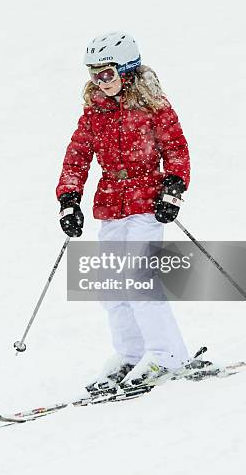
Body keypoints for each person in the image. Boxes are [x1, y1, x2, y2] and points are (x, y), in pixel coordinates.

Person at [56, 32, 191, 391]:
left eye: (107, 74)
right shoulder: (95, 112)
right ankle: (131, 354)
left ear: (128, 71)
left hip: (147, 200)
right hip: (112, 204)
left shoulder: (154, 107)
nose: (100, 83)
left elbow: (176, 149)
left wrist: (173, 189)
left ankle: (167, 356)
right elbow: (78, 154)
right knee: (112, 287)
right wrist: (69, 199)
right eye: (94, 75)